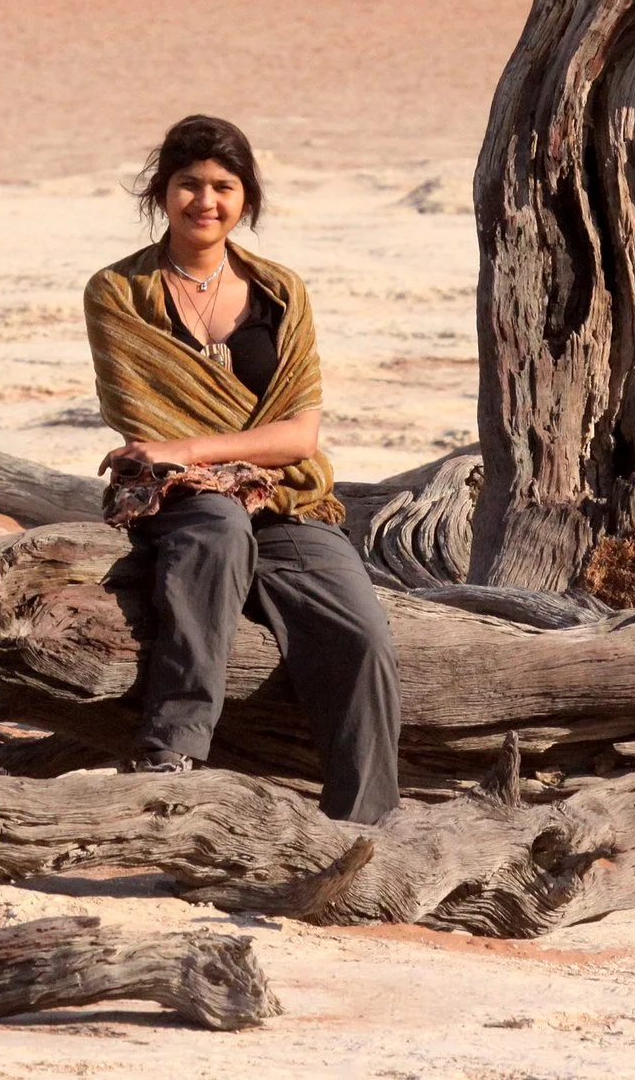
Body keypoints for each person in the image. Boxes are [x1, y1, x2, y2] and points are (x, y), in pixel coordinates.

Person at [83, 114, 401, 823]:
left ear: (246, 197)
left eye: (223, 186)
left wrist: (195, 449)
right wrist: (193, 461)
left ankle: (366, 825)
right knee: (220, 528)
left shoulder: (282, 291)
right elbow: (146, 430)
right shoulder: (118, 293)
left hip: (288, 499)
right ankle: (171, 751)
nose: (206, 200)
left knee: (362, 634)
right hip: (177, 497)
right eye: (188, 183)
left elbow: (299, 437)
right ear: (161, 193)